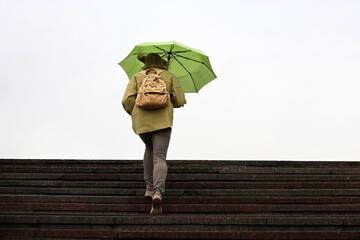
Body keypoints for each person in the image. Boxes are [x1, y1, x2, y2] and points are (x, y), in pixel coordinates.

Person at [122, 53, 185, 215]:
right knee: (159, 156)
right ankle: (158, 192)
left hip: (141, 122)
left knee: (149, 148)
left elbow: (126, 100)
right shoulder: (169, 76)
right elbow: (179, 101)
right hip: (163, 120)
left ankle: (149, 188)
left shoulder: (137, 77)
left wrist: (136, 112)